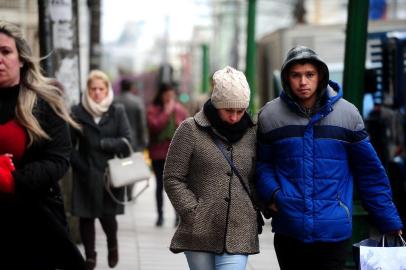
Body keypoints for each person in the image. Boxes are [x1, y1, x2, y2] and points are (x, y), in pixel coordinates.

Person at [256, 45, 403, 270]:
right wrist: (275, 194)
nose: (303, 82)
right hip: (289, 230)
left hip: (334, 231)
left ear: (320, 76)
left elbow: (370, 172)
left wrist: (388, 220)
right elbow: (262, 164)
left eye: (309, 75)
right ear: (287, 78)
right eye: (296, 75)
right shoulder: (270, 116)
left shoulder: (347, 115)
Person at [0, 20, 85, 269]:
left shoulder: (44, 102)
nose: (0, 59)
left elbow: (58, 159)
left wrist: (11, 180)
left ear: (22, 59)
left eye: (6, 52)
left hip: (33, 220)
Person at [164, 66, 259, 270]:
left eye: (240, 111)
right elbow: (172, 177)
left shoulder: (253, 133)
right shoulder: (190, 129)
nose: (235, 117)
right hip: (199, 229)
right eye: (228, 110)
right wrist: (192, 211)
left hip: (239, 229)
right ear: (216, 105)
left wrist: (254, 207)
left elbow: (258, 175)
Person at [70, 70, 132, 269]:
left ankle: (112, 245)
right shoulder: (77, 112)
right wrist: (81, 166)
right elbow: (69, 146)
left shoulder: (117, 111)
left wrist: (105, 144)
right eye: (93, 89)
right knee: (85, 217)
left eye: (101, 89)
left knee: (108, 216)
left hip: (109, 173)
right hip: (85, 172)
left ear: (107, 90)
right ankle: (90, 256)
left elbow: (127, 141)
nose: (97, 93)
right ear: (88, 90)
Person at [147, 81, 188, 226]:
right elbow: (154, 126)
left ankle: (177, 215)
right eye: (166, 95)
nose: (169, 97)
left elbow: (185, 129)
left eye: (171, 95)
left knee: (175, 185)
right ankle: (160, 215)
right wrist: (165, 112)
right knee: (159, 185)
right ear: (161, 95)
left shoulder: (180, 109)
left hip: (175, 153)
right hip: (158, 153)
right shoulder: (154, 109)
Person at [114, 79, 149, 199]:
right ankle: (129, 191)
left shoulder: (114, 101)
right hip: (133, 140)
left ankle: (120, 189)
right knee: (131, 165)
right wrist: (144, 140)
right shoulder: (137, 102)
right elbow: (142, 123)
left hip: (117, 139)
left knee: (119, 164)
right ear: (131, 87)